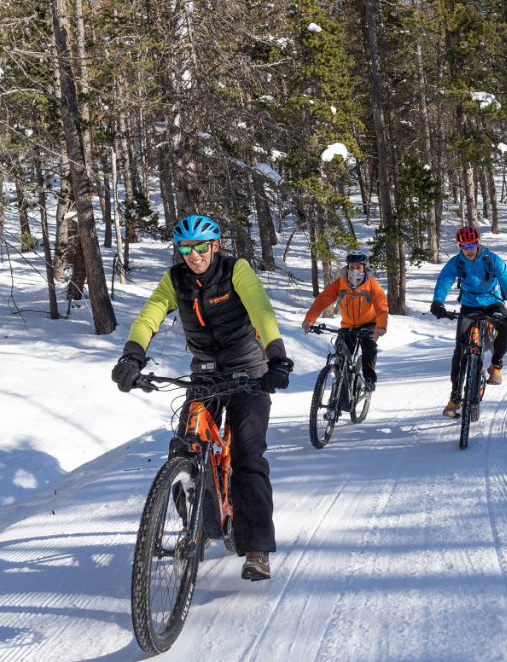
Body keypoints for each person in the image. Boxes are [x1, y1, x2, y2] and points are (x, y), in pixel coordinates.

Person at [110, 215, 293, 582]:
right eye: (185, 248)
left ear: (215, 246)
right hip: (205, 374)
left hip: (249, 372)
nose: (193, 255)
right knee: (183, 448)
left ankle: (256, 548)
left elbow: (260, 309)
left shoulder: (236, 270)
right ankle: (194, 524)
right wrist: (132, 356)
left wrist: (276, 356)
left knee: (247, 456)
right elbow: (149, 316)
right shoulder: (175, 279)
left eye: (200, 247)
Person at [429, 226, 507, 418]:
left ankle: (495, 364)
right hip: (469, 305)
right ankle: (455, 398)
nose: (468, 249)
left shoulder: (492, 260)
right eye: (464, 246)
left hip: (493, 302)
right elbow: (444, 280)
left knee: (505, 328)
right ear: (459, 247)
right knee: (460, 349)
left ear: (478, 243)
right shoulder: (456, 263)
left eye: (471, 245)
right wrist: (438, 302)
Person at [302, 251, 388, 399]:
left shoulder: (371, 284)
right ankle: (341, 384)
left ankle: (369, 380)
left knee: (368, 346)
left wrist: (380, 326)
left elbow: (381, 306)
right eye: (351, 267)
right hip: (348, 325)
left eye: (358, 268)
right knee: (341, 352)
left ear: (364, 268)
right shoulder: (340, 283)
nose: (354, 271)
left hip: (369, 323)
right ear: (347, 268)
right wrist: (309, 319)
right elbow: (322, 300)